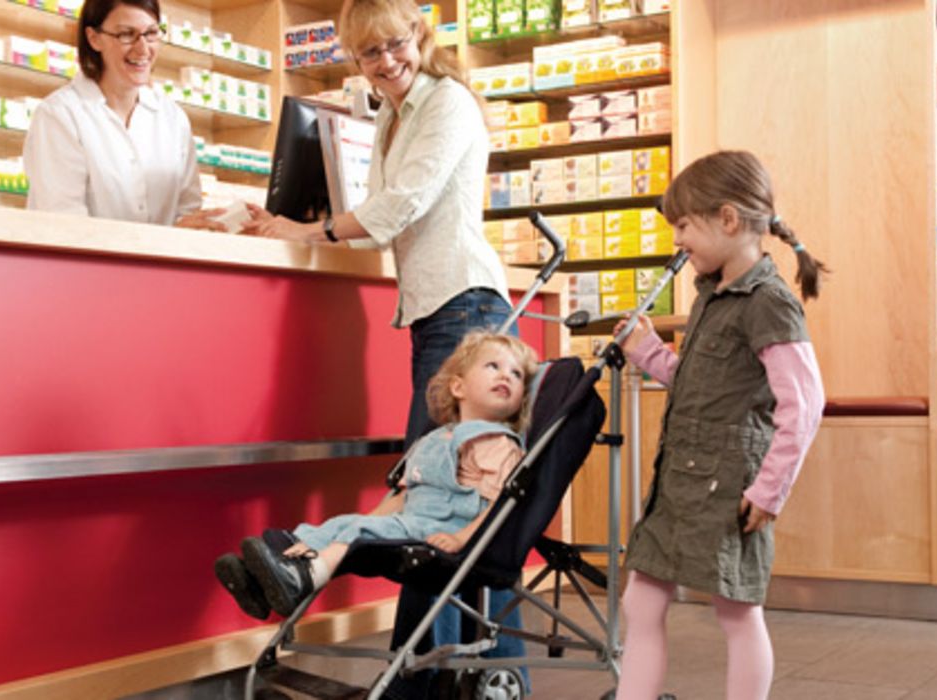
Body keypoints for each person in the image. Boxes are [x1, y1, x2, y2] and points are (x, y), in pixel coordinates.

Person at [240, 0, 525, 688]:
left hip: (465, 307)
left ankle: (416, 677)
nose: (386, 61)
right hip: (437, 314)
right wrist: (287, 222)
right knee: (433, 493)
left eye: (395, 45)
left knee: (429, 496)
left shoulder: (447, 102)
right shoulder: (393, 116)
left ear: (418, 36)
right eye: (369, 54)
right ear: (353, 58)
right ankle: (440, 673)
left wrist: (311, 234)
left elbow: (408, 202)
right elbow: (380, 226)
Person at [611, 151, 828, 700]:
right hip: (679, 483)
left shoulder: (769, 303)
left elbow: (803, 404)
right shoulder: (711, 295)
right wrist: (648, 352)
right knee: (641, 601)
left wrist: (769, 490)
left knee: (735, 611)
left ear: (728, 220)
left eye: (684, 226)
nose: (677, 241)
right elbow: (701, 383)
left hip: (730, 486)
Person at [219, 331, 536, 620]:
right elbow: (404, 497)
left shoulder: (496, 443)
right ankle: (260, 578)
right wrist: (364, 520)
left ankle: (299, 577)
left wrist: (461, 538)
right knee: (345, 524)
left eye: (516, 374)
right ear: (458, 387)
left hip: (444, 529)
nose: (506, 375)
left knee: (360, 536)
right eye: (493, 366)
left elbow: (501, 506)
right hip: (413, 519)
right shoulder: (436, 438)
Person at [23, 0, 224, 230]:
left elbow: (189, 211)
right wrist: (163, 241)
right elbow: (65, 227)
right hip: (82, 265)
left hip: (166, 265)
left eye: (151, 33)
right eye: (127, 35)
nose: (143, 49)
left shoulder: (172, 119)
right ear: (94, 38)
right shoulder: (60, 115)